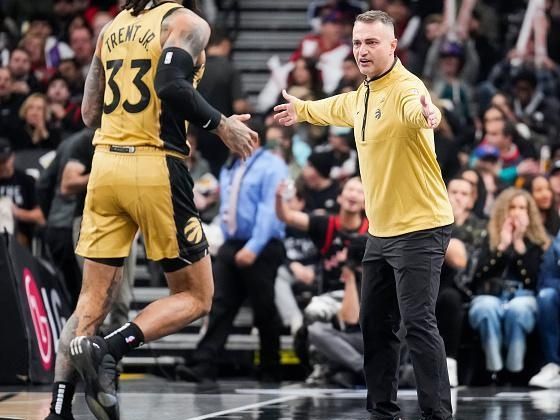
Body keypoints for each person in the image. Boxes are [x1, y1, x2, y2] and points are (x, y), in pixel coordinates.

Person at [44, 1, 258, 419]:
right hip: (156, 164)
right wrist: (222, 125)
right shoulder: (185, 23)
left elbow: (89, 112)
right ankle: (107, 350)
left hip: (104, 166)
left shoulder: (110, 28)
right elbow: (170, 85)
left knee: (90, 300)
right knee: (196, 296)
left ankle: (58, 410)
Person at [274, 10, 454, 420]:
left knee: (418, 324)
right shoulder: (363, 95)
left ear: (393, 46)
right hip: (383, 231)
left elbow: (419, 110)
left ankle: (437, 414)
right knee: (374, 327)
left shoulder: (409, 88)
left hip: (422, 226)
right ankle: (382, 412)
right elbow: (337, 108)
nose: (362, 50)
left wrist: (431, 116)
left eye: (371, 42)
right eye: (357, 43)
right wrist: (303, 109)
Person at [176, 126, 288, 384]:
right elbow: (228, 207)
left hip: (263, 244)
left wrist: (254, 247)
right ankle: (204, 364)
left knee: (264, 308)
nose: (229, 138)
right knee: (219, 304)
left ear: (254, 137)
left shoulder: (272, 165)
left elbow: (269, 208)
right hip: (233, 243)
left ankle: (271, 367)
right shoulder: (230, 167)